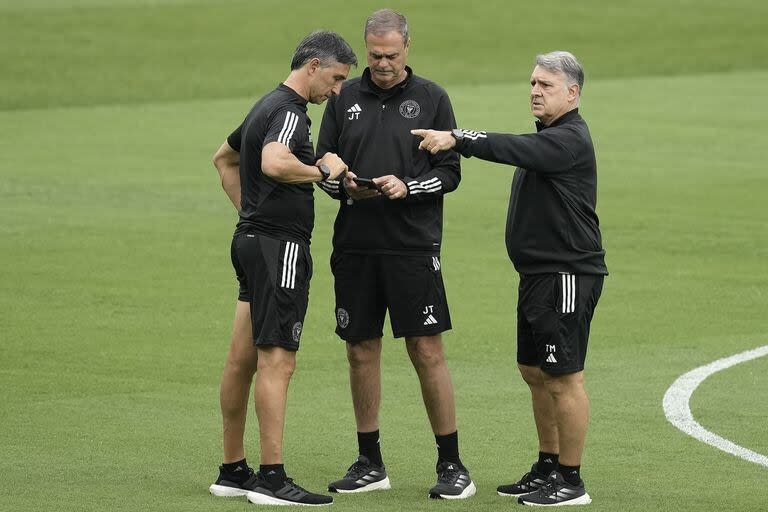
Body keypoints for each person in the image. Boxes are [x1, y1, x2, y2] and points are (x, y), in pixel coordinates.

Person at [412, 51, 607, 506]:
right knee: (534, 371)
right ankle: (548, 463)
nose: (535, 91)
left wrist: (457, 138)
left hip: (566, 274)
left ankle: (571, 480)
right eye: (533, 83)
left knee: (564, 377)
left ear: (573, 93)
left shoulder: (569, 139)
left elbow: (512, 148)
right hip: (538, 276)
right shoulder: (551, 136)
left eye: (547, 85)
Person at [316, 9, 475, 500]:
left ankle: (452, 465)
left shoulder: (432, 99)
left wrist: (407, 186)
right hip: (356, 246)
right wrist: (342, 184)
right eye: (374, 55)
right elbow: (322, 163)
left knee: (426, 351)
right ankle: (370, 461)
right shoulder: (344, 98)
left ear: (407, 48)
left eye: (390, 55)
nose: (381, 64)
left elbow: (450, 173)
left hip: (412, 247)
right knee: (360, 350)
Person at [208, 30, 356, 507]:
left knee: (241, 361)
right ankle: (272, 479)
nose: (336, 91)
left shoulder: (263, 106)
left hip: (251, 243)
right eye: (334, 79)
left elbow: (223, 158)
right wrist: (322, 172)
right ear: (312, 66)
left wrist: (249, 216)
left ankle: (233, 470)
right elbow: (274, 161)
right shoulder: (290, 112)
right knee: (277, 360)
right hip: (280, 250)